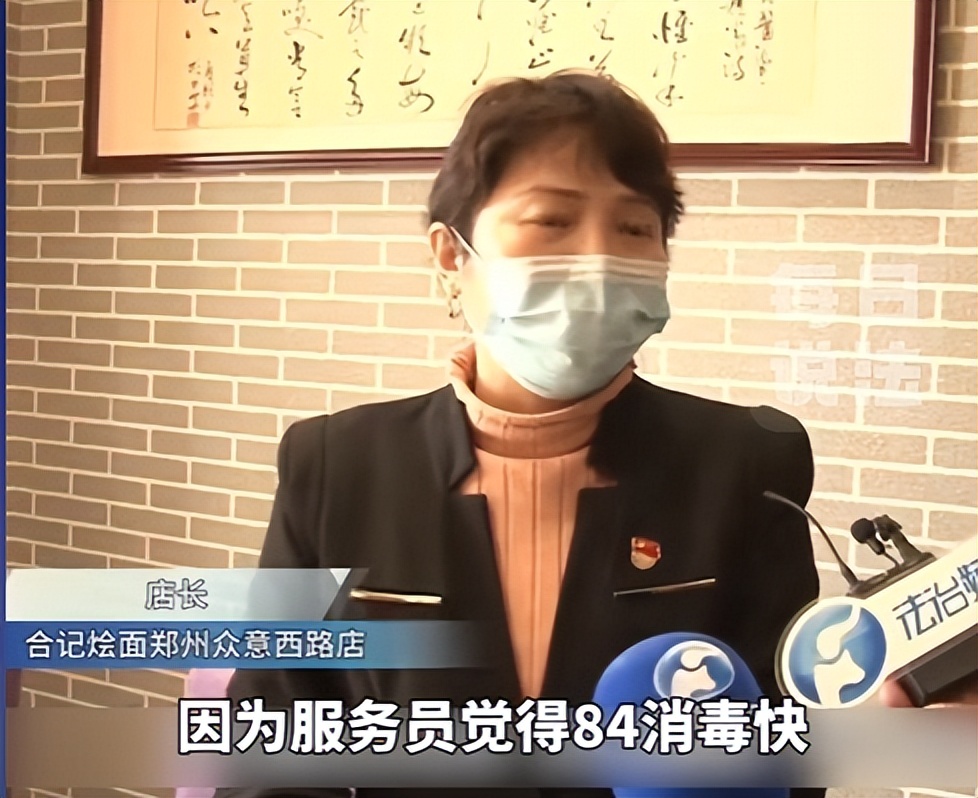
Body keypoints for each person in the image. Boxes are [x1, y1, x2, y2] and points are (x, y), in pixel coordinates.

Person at [218, 70, 969, 798]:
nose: (598, 257)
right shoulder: (336, 466)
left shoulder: (747, 462)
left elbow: (780, 742)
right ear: (451, 258)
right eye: (551, 220)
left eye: (635, 228)